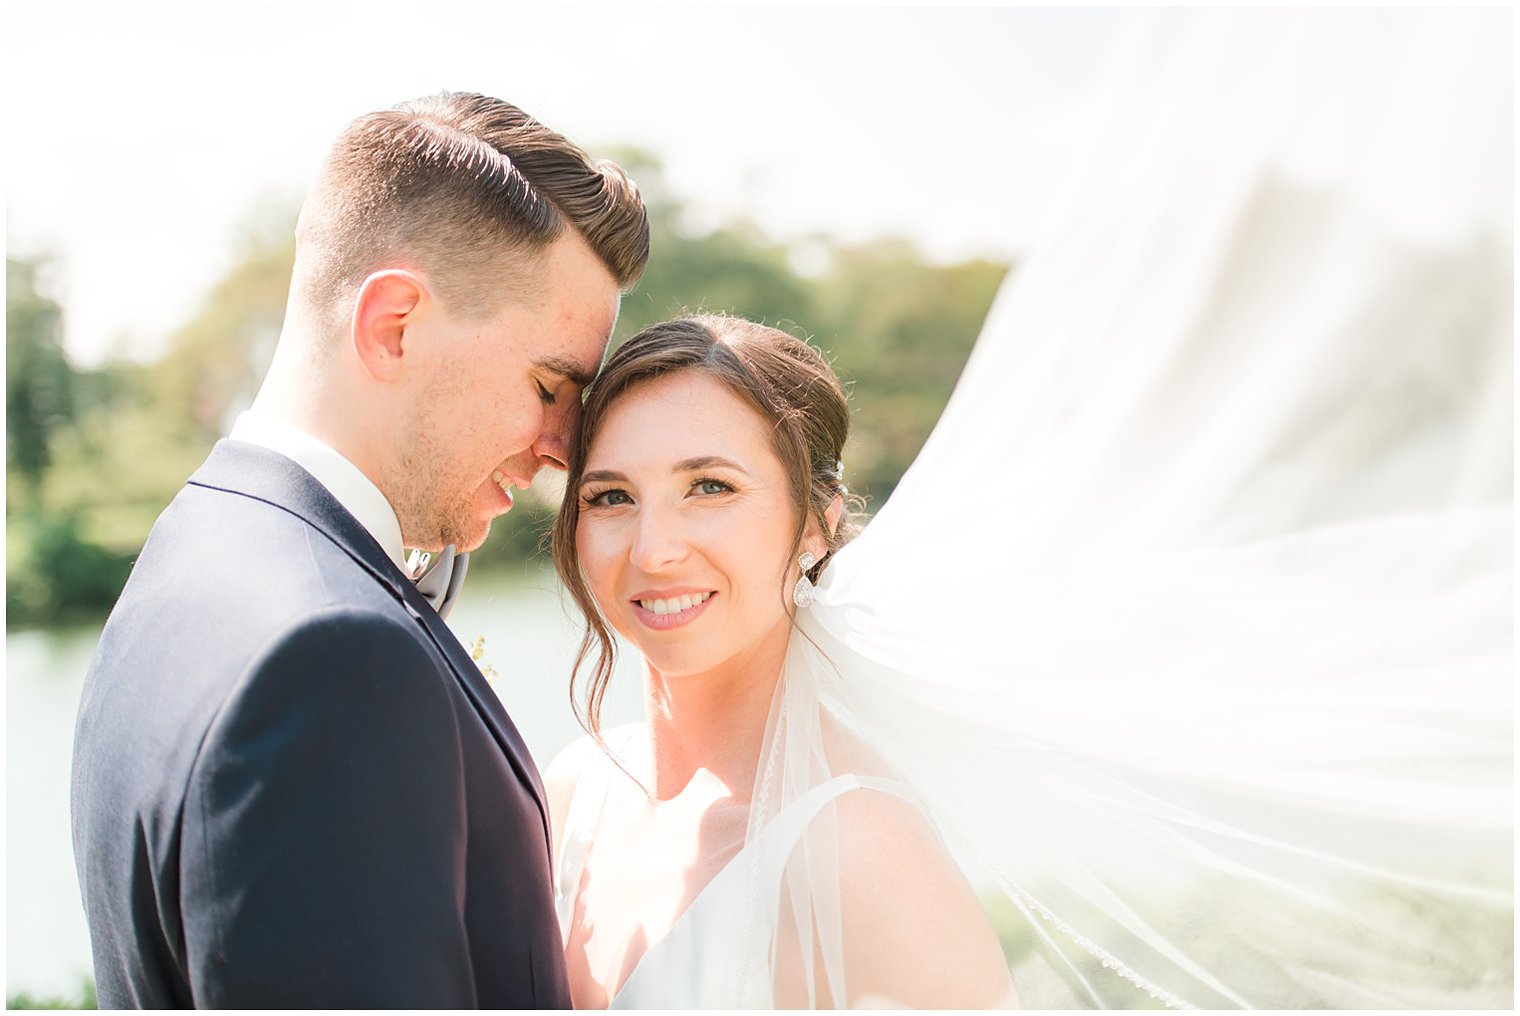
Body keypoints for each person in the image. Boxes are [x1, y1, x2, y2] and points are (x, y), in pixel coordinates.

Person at [545, 10, 1510, 1009]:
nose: (654, 545)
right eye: (610, 495)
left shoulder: (852, 847)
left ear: (818, 521)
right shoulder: (572, 793)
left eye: (712, 486)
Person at [70, 91, 649, 1008]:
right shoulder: (332, 659)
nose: (565, 451)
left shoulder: (196, 550)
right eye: (549, 385)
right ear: (396, 325)